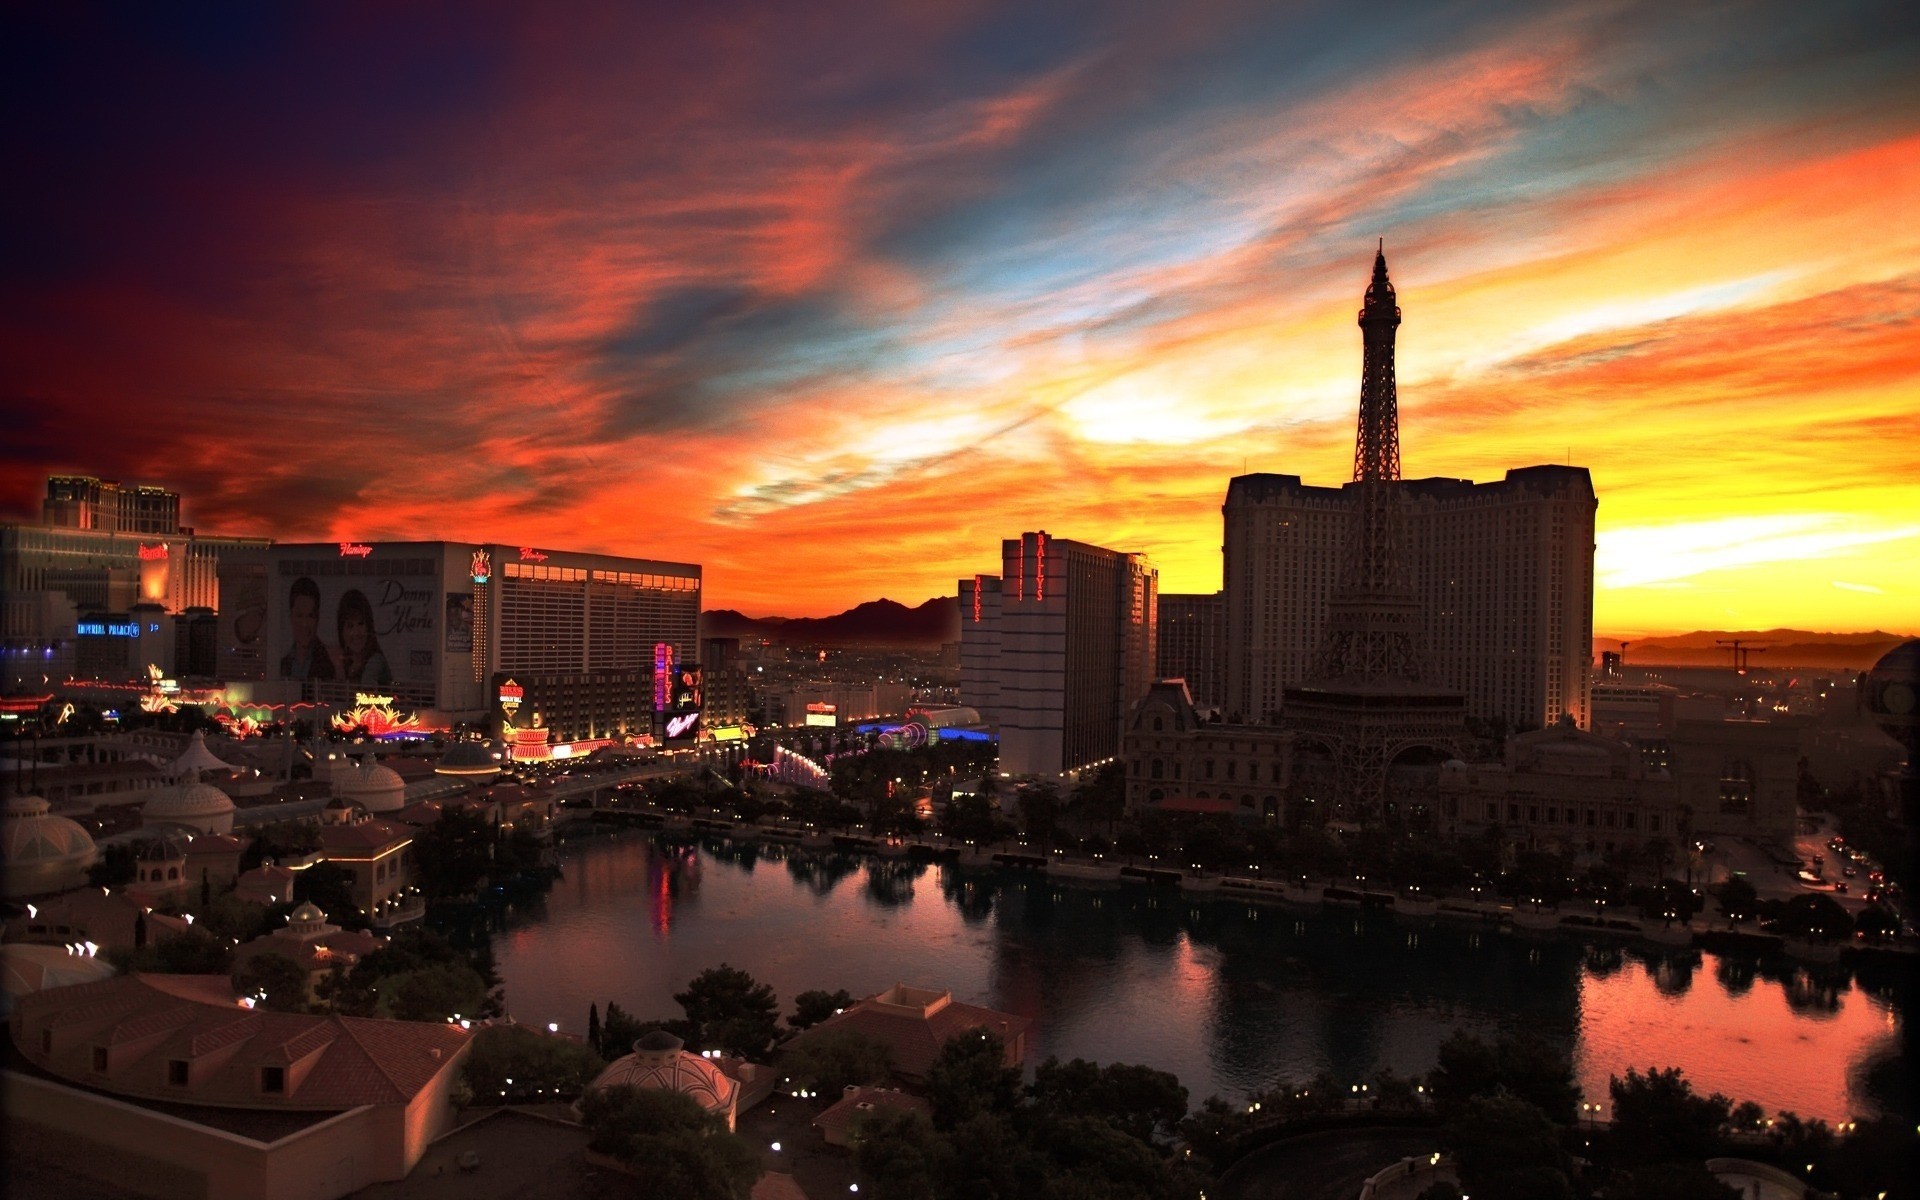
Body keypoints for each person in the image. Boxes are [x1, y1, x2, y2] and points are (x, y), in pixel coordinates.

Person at [279, 577, 337, 681]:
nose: (304, 624)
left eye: (310, 616)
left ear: (317, 618)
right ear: (291, 617)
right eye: (299, 616)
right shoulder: (282, 665)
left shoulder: (328, 663)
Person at [336, 588, 392, 687]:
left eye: (360, 624)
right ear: (342, 632)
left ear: (368, 626)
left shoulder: (375, 661)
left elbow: (366, 689)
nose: (356, 633)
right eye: (350, 626)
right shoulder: (344, 661)